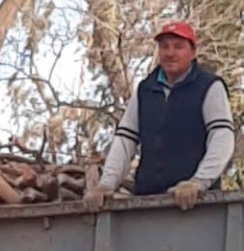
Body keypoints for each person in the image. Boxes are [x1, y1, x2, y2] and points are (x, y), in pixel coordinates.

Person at [83, 21, 235, 212]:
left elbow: (222, 137)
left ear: (193, 52)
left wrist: (199, 182)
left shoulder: (209, 86)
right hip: (147, 201)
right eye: (164, 47)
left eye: (178, 47)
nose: (170, 53)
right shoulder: (146, 89)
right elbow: (125, 140)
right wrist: (106, 185)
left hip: (199, 205)